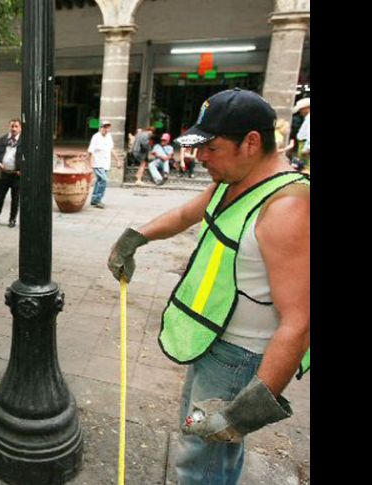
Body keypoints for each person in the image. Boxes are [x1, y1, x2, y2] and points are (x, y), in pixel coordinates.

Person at [107, 89, 309, 484]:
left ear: (251, 142)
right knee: (208, 447)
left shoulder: (287, 208)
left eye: (211, 148)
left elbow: (298, 322)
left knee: (201, 460)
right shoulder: (235, 180)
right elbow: (185, 213)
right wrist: (136, 236)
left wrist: (245, 412)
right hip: (212, 342)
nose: (201, 158)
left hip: (239, 358)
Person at [0, 118, 22, 228]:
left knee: (15, 199)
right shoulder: (3, 139)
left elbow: (28, 157)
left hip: (16, 174)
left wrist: (23, 170)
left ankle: (12, 219)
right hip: (4, 173)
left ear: (20, 128)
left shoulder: (24, 141)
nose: (14, 129)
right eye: (12, 126)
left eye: (16, 126)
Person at [87, 119, 115, 208]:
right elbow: (90, 151)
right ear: (101, 127)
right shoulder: (96, 137)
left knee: (99, 181)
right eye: (104, 127)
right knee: (104, 180)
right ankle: (98, 200)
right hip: (98, 163)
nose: (106, 129)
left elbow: (111, 149)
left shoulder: (109, 136)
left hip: (106, 163)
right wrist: (91, 164)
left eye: (108, 127)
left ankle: (94, 199)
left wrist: (118, 160)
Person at [293, 98, 310, 174]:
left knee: (306, 167)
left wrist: (307, 148)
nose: (300, 112)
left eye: (301, 109)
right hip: (303, 144)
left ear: (307, 108)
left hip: (305, 145)